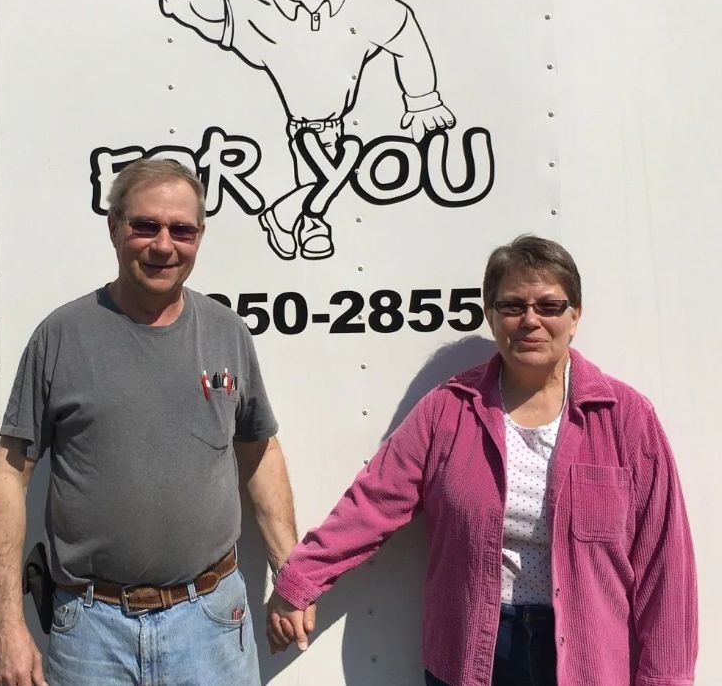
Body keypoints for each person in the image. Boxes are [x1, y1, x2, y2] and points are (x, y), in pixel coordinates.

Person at [266, 235, 697, 685]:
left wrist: (665, 679)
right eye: (512, 306)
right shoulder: (449, 410)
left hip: (588, 659)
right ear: (491, 315)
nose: (530, 320)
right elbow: (373, 503)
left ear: (575, 316)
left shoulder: (626, 419)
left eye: (549, 306)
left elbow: (665, 565)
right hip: (473, 653)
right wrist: (300, 581)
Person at [0, 158, 311, 686]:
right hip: (91, 631)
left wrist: (288, 572)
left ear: (199, 237)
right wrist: (7, 625)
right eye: (145, 226)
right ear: (114, 227)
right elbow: (9, 473)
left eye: (181, 230)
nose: (163, 245)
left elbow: (258, 450)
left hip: (211, 624)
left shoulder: (226, 332)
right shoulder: (61, 337)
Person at [159, 0, 456, 261]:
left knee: (338, 163)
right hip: (303, 128)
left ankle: (295, 219)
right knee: (339, 165)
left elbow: (406, 36)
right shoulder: (256, 8)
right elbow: (180, 0)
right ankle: (304, 221)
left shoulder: (367, 1)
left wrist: (422, 98)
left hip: (333, 128)